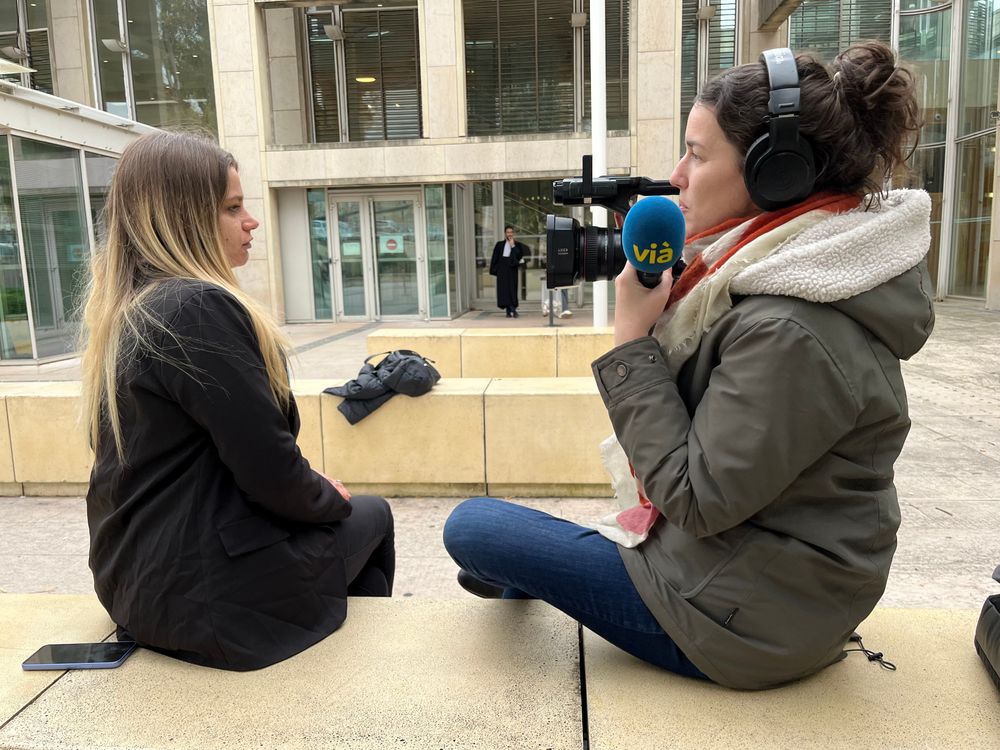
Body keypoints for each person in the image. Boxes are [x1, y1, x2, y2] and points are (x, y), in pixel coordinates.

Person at [444, 41, 933, 690]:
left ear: (774, 174)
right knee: (515, 548)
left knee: (473, 529)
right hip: (775, 580)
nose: (676, 174)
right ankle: (537, 576)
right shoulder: (794, 274)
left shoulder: (793, 327)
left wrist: (630, 339)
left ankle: (534, 576)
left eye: (697, 155)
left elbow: (698, 499)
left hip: (747, 620)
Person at [80, 131, 395, 672]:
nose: (250, 221)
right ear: (182, 220)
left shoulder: (133, 309)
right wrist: (330, 497)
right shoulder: (196, 308)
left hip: (135, 586)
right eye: (232, 207)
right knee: (372, 514)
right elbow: (269, 470)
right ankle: (344, 675)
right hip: (216, 606)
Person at [489, 224, 526, 317]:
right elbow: (495, 258)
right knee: (504, 291)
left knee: (512, 290)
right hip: (502, 271)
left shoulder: (517, 245)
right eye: (508, 232)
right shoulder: (499, 244)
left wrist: (512, 246)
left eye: (511, 232)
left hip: (512, 271)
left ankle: (511, 310)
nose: (509, 234)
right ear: (505, 233)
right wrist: (495, 270)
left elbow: (519, 256)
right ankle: (510, 311)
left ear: (513, 233)